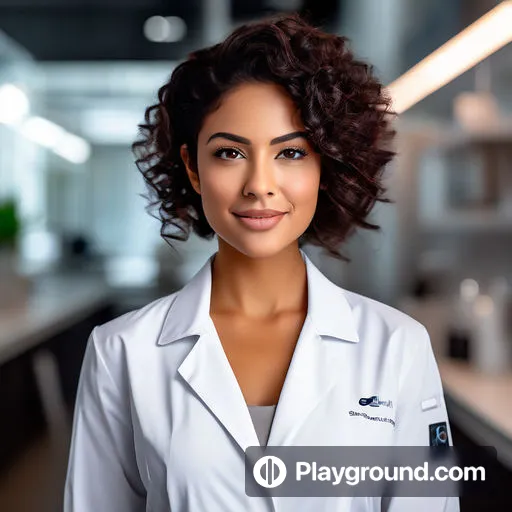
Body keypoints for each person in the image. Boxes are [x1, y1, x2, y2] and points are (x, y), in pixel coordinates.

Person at [64, 12, 460, 512]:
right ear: (193, 167)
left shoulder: (398, 347)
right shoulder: (120, 353)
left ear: (324, 164)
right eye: (229, 153)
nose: (259, 184)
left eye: (290, 154)